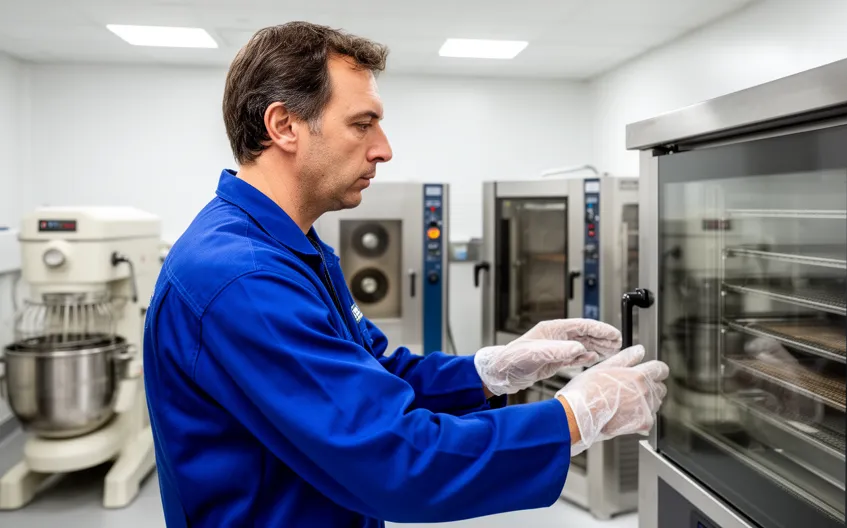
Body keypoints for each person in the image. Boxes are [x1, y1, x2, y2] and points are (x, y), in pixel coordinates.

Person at [143, 21, 669, 528]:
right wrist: (575, 417)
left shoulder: (292, 247)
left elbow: (376, 370)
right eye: (361, 123)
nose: (383, 149)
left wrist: (490, 372)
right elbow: (394, 457)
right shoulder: (243, 279)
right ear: (283, 126)